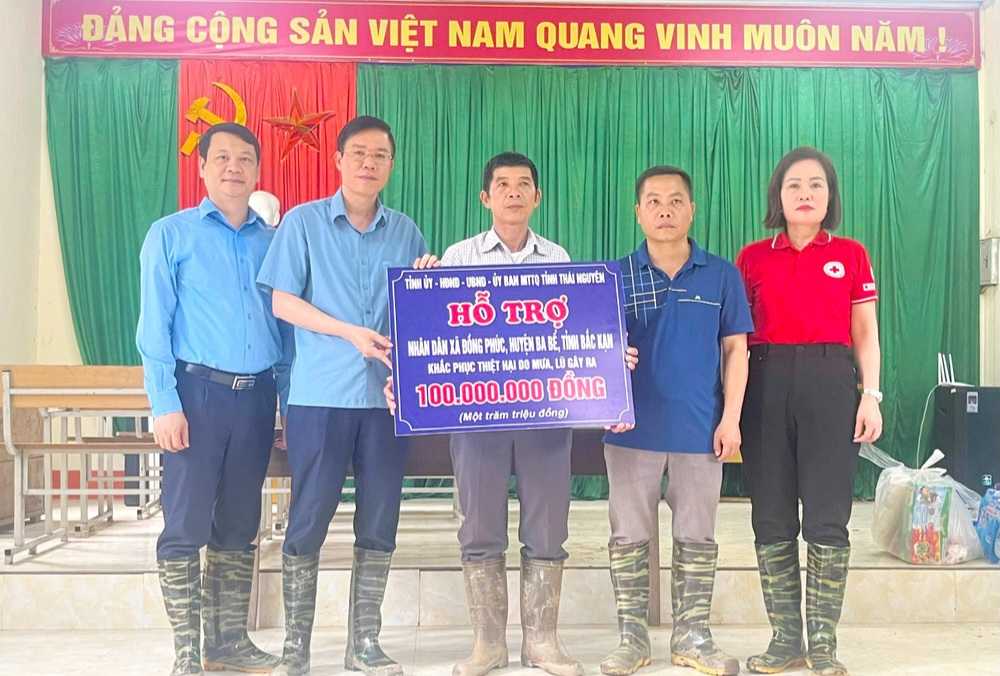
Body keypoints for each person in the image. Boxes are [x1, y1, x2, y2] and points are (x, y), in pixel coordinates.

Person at [386, 152, 635, 676]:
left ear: (537, 197)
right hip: (476, 421)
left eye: (524, 184)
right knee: (478, 525)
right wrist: (423, 288)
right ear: (485, 197)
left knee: (547, 525)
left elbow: (578, 338)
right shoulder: (455, 258)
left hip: (547, 416)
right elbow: (429, 335)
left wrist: (611, 358)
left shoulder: (561, 260)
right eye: (503, 185)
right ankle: (488, 645)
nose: (514, 193)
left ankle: (542, 642)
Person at [257, 115, 436, 676]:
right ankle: (295, 650)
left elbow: (417, 318)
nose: (368, 163)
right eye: (358, 152)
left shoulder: (407, 232)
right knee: (309, 516)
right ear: (337, 159)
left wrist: (428, 284)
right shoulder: (304, 224)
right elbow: (283, 303)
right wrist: (348, 331)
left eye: (380, 155)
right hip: (321, 396)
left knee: (380, 520)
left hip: (386, 402)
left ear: (391, 164)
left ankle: (365, 645)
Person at [137, 122, 290, 675]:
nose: (233, 167)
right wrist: (163, 402)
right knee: (185, 523)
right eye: (221, 157)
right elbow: (154, 327)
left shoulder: (274, 242)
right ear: (201, 167)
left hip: (257, 397)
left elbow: (287, 333)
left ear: (256, 170)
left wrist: (287, 406)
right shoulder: (170, 234)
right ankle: (186, 650)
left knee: (239, 524)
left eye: (244, 158)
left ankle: (230, 643)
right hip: (194, 395)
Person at [736, 147, 882, 676]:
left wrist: (872, 394)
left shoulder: (852, 253)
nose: (805, 193)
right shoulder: (752, 257)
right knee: (771, 515)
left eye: (816, 185)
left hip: (830, 385)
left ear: (829, 196)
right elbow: (734, 339)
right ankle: (784, 641)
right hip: (765, 384)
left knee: (827, 517)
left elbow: (865, 332)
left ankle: (823, 644)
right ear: (779, 194)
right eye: (794, 184)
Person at [600, 166, 751, 676]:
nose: (665, 210)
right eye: (654, 201)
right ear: (637, 211)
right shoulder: (612, 276)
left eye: (676, 200)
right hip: (630, 431)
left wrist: (731, 419)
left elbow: (736, 351)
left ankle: (693, 636)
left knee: (697, 535)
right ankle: (632, 637)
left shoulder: (721, 275)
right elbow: (592, 351)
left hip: (700, 429)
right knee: (629, 535)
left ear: (692, 209)